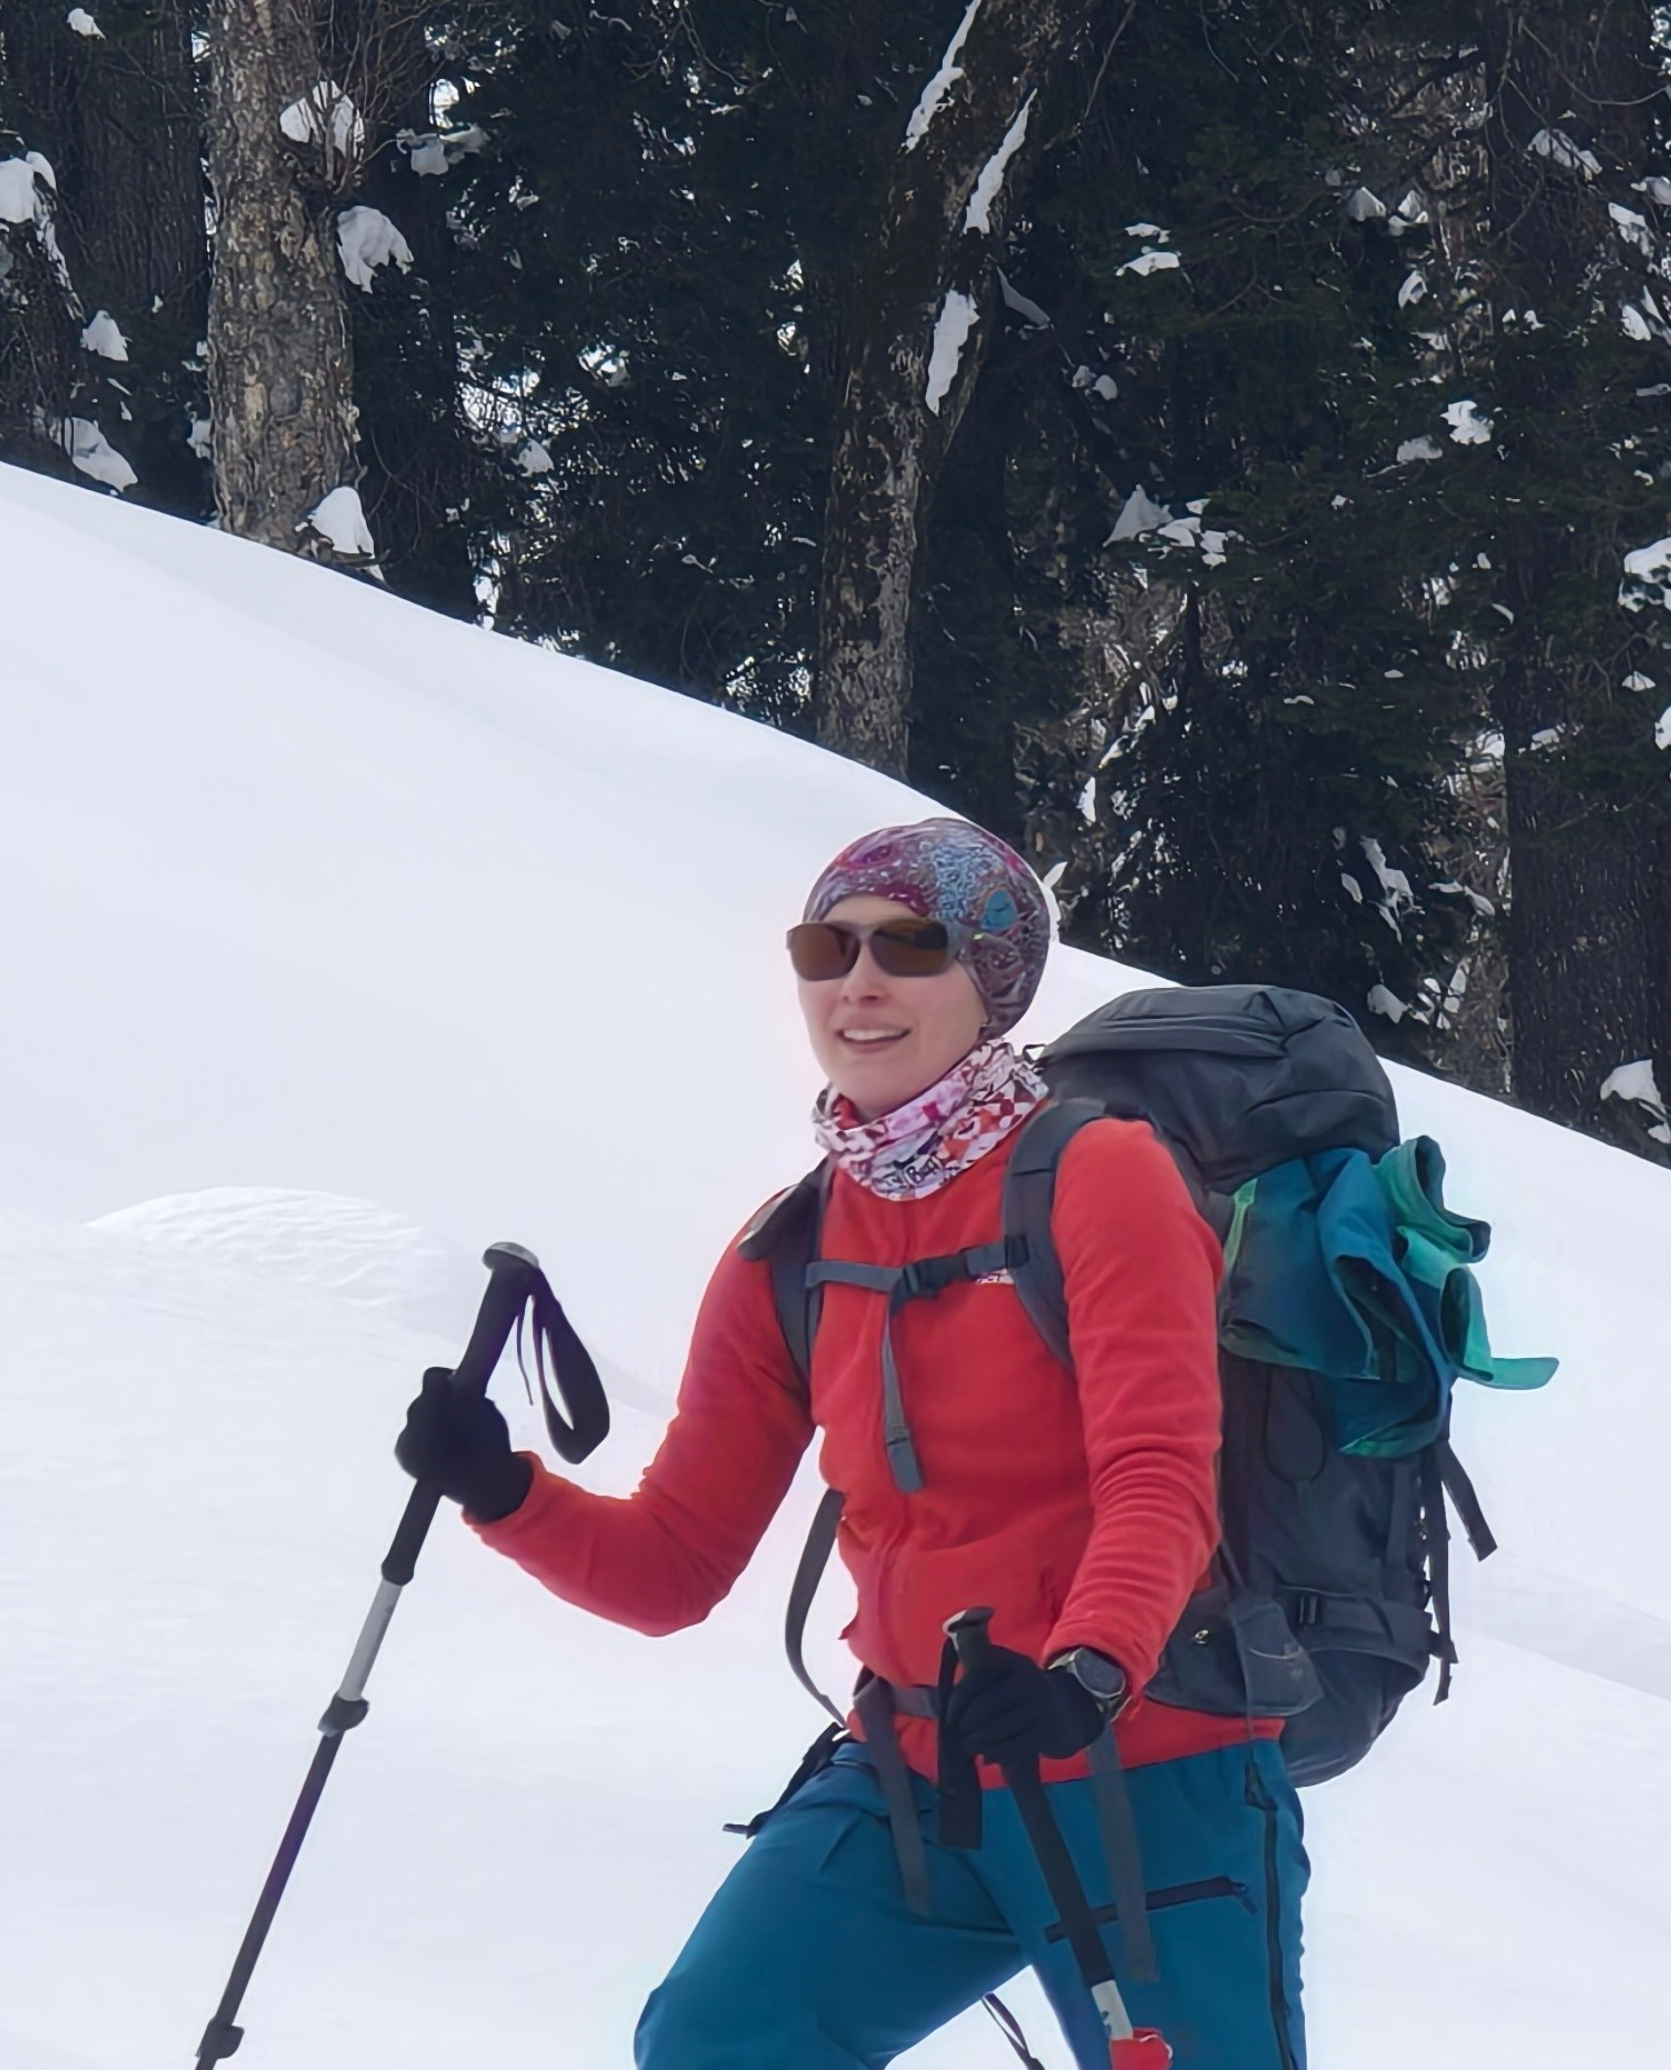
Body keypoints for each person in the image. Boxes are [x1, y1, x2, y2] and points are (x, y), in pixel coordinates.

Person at [397, 816, 1308, 2070]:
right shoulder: (794, 1243)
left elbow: (1159, 1475)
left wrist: (1083, 1674)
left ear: (988, 981)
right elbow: (674, 1564)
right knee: (720, 2042)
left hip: (1143, 1767)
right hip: (913, 1776)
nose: (857, 982)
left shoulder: (1101, 1178)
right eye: (826, 948)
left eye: (908, 947)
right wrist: (502, 1492)